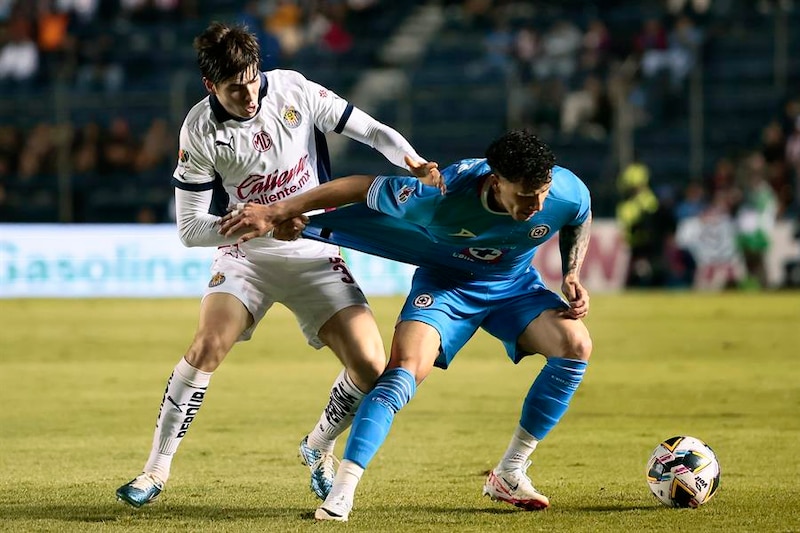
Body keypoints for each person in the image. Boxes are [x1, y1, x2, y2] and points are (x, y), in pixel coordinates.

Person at [115, 21, 440, 508]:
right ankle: (154, 471)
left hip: (314, 248)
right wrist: (261, 225)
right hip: (247, 256)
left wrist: (411, 161)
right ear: (210, 87)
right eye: (233, 89)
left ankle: (318, 445)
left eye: (251, 80)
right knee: (207, 345)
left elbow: (369, 129)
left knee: (373, 370)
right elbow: (189, 230)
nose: (248, 96)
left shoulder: (293, 89)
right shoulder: (198, 131)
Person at [220, 130, 593, 521]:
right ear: (496, 182)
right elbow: (360, 187)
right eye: (525, 195)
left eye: (542, 193)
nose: (537, 204)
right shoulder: (441, 196)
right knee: (402, 374)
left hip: (513, 287)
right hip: (447, 285)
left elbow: (579, 217)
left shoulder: (566, 191)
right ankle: (343, 491)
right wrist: (277, 212)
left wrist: (571, 273)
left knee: (576, 346)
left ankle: (510, 471)